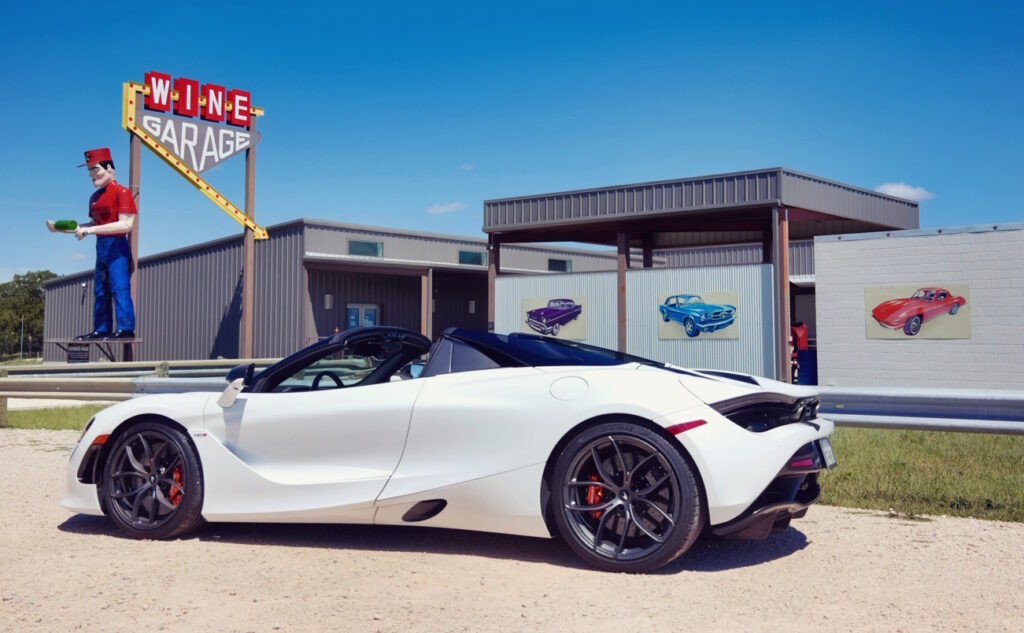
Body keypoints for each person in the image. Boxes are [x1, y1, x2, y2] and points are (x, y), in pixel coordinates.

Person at [47, 148, 137, 340]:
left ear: (110, 168)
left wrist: (90, 231)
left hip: (117, 246)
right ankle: (101, 328)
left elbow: (126, 224)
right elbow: (93, 224)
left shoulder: (122, 192)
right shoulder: (94, 198)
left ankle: (126, 328)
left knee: (119, 286)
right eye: (89, 170)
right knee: (100, 290)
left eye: (94, 169)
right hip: (101, 247)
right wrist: (64, 228)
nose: (91, 175)